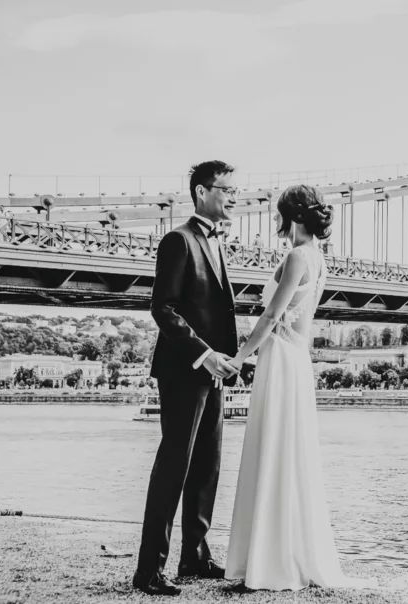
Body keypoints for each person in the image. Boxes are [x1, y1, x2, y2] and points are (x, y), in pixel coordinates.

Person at [224, 184, 375, 591]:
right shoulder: (318, 258)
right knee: (287, 452)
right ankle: (279, 555)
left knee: (273, 449)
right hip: (295, 359)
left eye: (278, 213)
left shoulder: (295, 256)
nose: (275, 220)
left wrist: (239, 359)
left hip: (280, 358)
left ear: (290, 215)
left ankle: (270, 561)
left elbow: (273, 314)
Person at [133, 160, 241, 596]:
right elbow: (163, 307)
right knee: (173, 466)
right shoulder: (178, 240)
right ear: (201, 192)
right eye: (226, 189)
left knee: (207, 465)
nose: (234, 197)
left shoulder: (217, 243)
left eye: (236, 191)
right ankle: (149, 569)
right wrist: (204, 354)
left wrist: (228, 359)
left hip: (214, 372)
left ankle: (194, 555)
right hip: (185, 370)